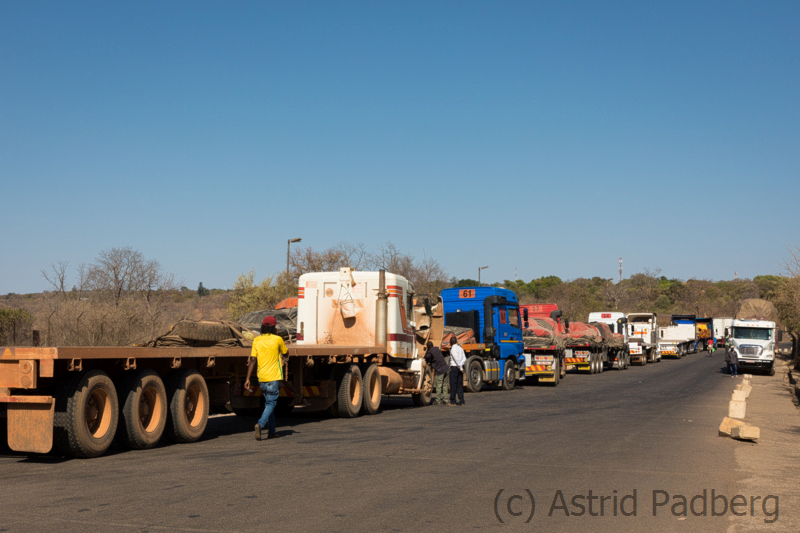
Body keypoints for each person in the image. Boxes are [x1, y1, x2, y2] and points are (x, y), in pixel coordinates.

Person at [244, 316, 288, 440]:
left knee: (269, 405)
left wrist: (247, 379)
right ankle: (260, 424)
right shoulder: (278, 339)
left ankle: (272, 432)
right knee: (271, 403)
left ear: (263, 327)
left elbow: (252, 360)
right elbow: (285, 353)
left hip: (262, 379)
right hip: (273, 378)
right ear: (274, 328)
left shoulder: (257, 341)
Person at [424, 341, 449, 405]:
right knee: (445, 385)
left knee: (439, 386)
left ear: (428, 347)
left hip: (440, 370)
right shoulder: (437, 349)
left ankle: (438, 400)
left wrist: (426, 351)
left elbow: (426, 357)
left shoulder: (430, 352)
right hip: (446, 368)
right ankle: (445, 400)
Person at [449, 337, 466, 406]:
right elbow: (464, 359)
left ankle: (453, 401)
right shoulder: (460, 349)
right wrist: (461, 365)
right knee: (460, 385)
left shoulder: (453, 349)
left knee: (453, 385)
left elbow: (456, 359)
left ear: (450, 343)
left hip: (454, 368)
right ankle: (461, 401)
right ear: (456, 342)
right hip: (459, 368)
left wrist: (460, 367)